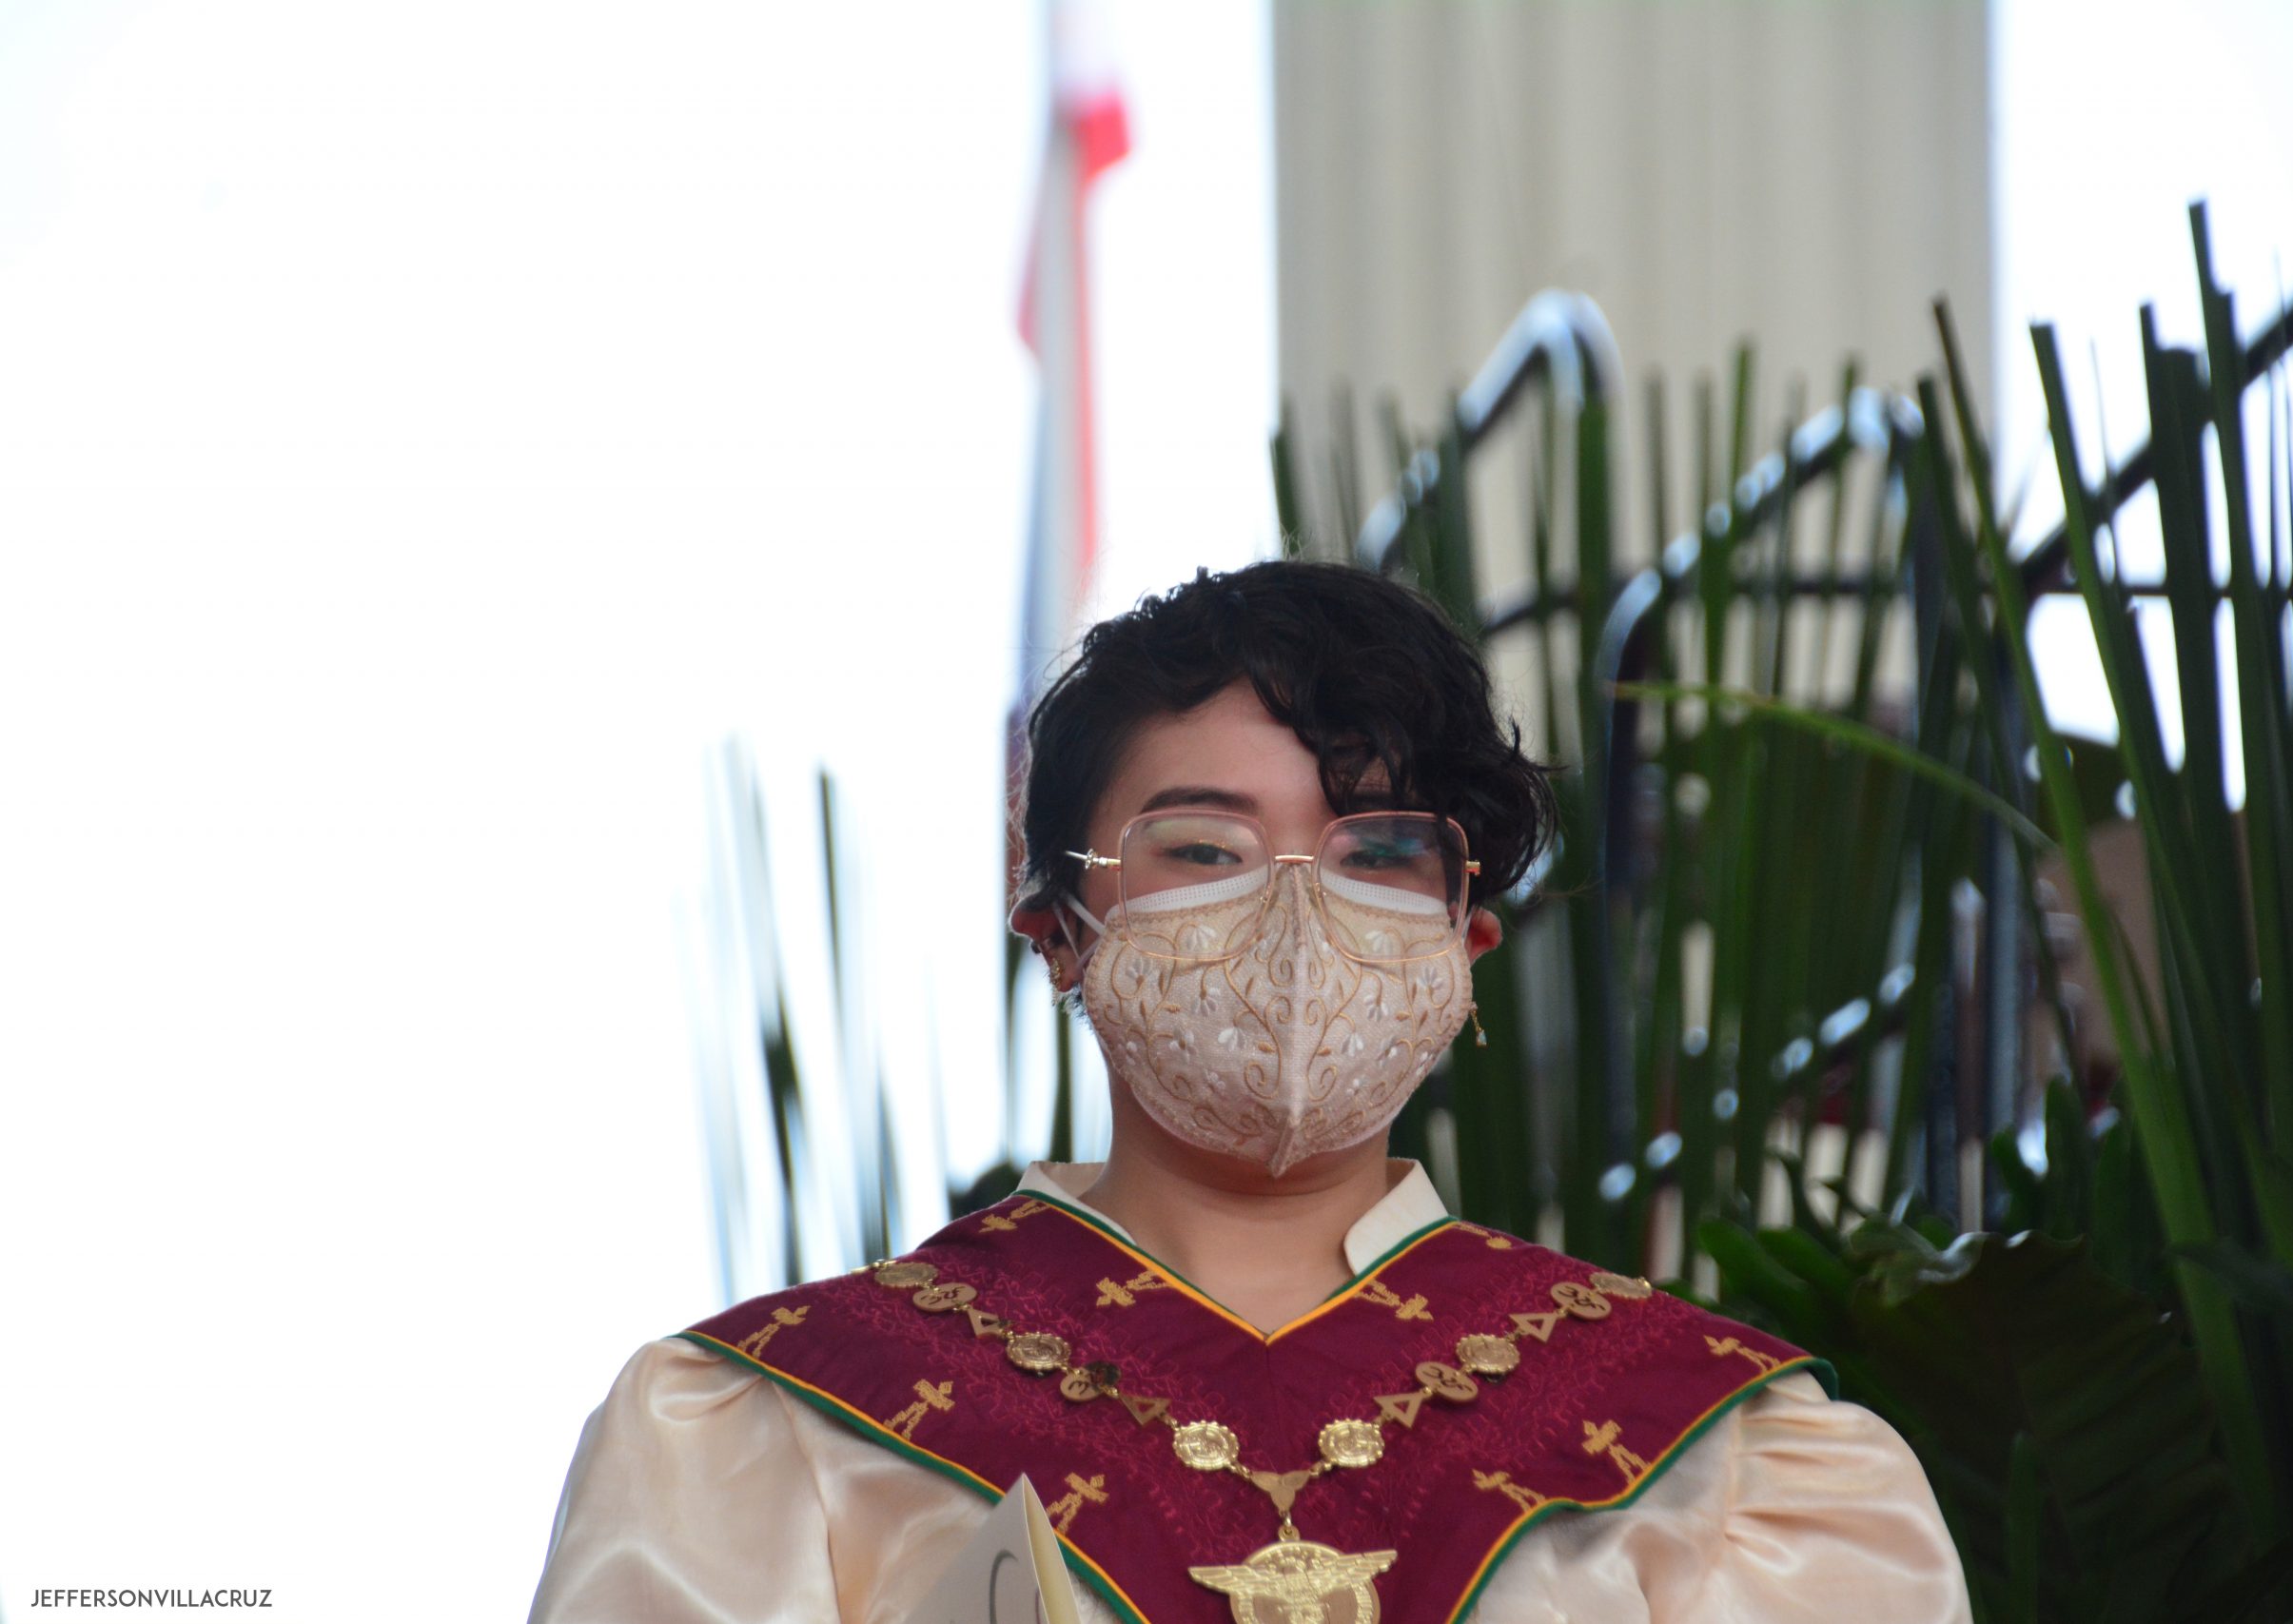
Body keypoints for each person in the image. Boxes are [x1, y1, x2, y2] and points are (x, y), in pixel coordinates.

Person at [527, 560, 1970, 1623]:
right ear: (1059, 934)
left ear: (1463, 947)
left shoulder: (1726, 1461)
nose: (1293, 908)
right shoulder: (781, 1429)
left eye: (1378, 853)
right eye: (1204, 850)